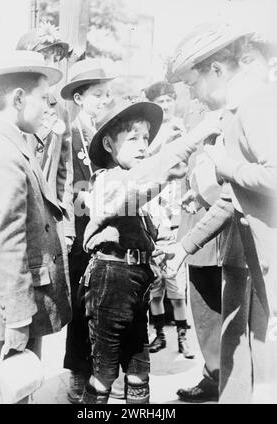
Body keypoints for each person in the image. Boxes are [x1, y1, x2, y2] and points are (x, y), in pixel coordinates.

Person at [80, 98, 221, 404]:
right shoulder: (105, 180)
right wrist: (187, 142)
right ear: (108, 144)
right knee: (104, 371)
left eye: (146, 138)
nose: (143, 145)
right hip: (110, 280)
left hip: (136, 279)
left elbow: (146, 182)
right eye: (133, 139)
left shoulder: (136, 177)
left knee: (139, 367)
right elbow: (137, 186)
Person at [168, 22, 277, 403]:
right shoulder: (238, 111)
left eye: (195, 82)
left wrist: (225, 164)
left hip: (269, 261)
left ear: (218, 70)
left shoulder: (257, 105)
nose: (194, 94)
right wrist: (185, 246)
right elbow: (234, 197)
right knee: (244, 347)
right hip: (254, 258)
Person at [0, 50, 72, 403]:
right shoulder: (2, 153)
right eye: (44, 99)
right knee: (7, 392)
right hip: (11, 311)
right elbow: (6, 242)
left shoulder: (9, 142)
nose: (50, 108)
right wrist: (17, 320)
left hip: (16, 305)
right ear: (18, 99)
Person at [60, 58, 115, 403]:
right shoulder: (66, 134)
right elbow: (63, 184)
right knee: (81, 305)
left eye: (106, 94)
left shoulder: (103, 133)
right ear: (79, 98)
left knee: (105, 303)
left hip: (105, 228)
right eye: (97, 95)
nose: (104, 101)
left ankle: (104, 371)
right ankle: (78, 372)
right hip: (80, 232)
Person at [143, 81, 194, 358]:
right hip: (153, 213)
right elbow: (145, 163)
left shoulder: (183, 128)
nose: (165, 106)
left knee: (176, 282)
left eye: (168, 100)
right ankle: (159, 334)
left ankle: (183, 336)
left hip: (176, 214)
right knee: (155, 287)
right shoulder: (150, 132)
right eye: (160, 101)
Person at [16, 22, 75, 253]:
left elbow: (64, 170)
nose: (51, 66)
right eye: (44, 57)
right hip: (17, 214)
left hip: (49, 221)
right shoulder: (12, 103)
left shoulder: (60, 108)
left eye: (55, 59)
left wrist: (68, 226)